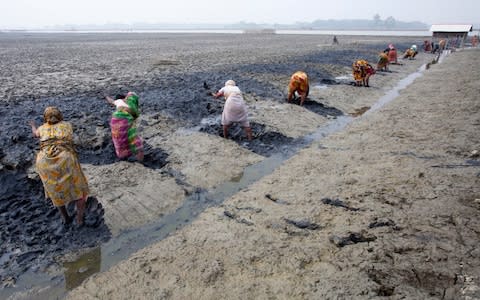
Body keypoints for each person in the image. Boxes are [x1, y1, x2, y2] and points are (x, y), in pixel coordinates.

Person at [29, 107, 89, 226]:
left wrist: (33, 125)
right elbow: (69, 136)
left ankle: (65, 217)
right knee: (78, 189)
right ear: (60, 116)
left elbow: (36, 134)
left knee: (55, 190)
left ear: (45, 118)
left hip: (44, 161)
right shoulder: (67, 125)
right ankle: (79, 219)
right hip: (65, 158)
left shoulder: (42, 128)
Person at [104, 92, 144, 161]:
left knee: (119, 138)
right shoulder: (127, 101)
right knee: (135, 141)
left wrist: (106, 96)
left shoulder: (117, 102)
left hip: (115, 119)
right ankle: (141, 160)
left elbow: (111, 101)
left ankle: (123, 156)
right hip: (125, 118)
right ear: (124, 98)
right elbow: (133, 97)